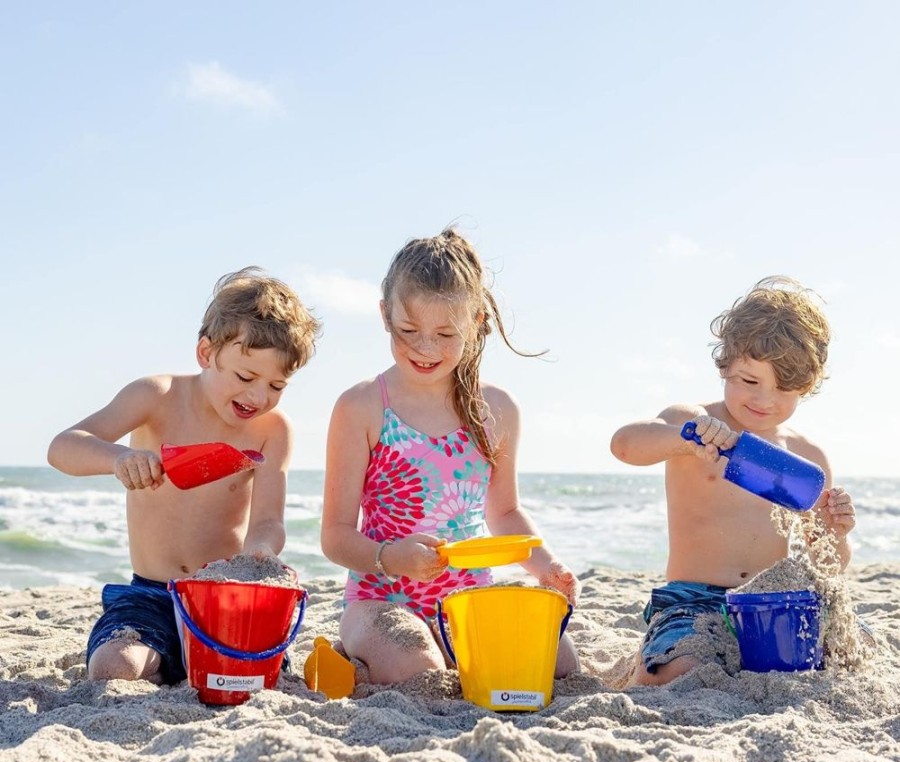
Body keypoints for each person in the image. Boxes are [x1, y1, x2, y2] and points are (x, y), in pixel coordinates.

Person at [320, 227, 580, 684]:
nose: (425, 348)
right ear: (384, 314)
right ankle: (357, 653)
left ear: (477, 321)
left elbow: (505, 512)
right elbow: (335, 536)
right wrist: (390, 557)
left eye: (445, 333)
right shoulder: (361, 406)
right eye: (408, 330)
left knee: (560, 663)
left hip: (469, 596)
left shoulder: (495, 409)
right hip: (381, 599)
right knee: (417, 670)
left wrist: (546, 566)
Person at [47, 268, 321, 685]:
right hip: (152, 593)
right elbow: (63, 447)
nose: (257, 397)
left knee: (256, 678)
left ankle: (182, 666)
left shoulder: (271, 431)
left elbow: (267, 520)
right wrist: (120, 458)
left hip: (223, 596)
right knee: (113, 667)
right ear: (206, 353)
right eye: (245, 377)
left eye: (276, 385)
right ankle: (165, 662)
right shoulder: (157, 396)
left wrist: (261, 550)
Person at [610, 275, 856, 686]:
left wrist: (837, 531)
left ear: (807, 387)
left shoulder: (806, 456)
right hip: (694, 599)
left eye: (784, 389)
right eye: (749, 381)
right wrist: (687, 440)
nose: (764, 401)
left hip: (772, 602)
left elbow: (828, 563)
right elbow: (625, 445)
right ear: (724, 365)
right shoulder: (696, 421)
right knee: (675, 673)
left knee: (846, 649)